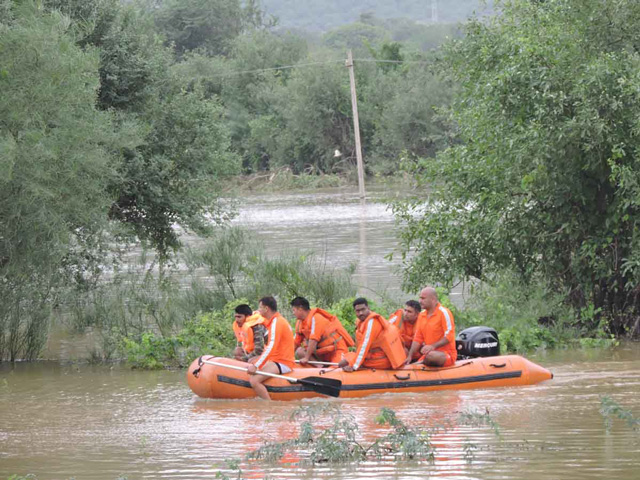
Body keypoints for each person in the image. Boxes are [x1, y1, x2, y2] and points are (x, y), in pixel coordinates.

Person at [246, 296, 296, 400]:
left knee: (254, 381)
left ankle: (269, 406)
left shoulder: (277, 322)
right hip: (277, 359)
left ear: (266, 309)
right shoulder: (277, 320)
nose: (258, 310)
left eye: (260, 308)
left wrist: (256, 366)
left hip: (282, 362)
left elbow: (271, 347)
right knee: (252, 360)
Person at [338, 297, 406, 372]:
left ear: (368, 308)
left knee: (347, 359)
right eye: (358, 311)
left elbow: (364, 346)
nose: (361, 313)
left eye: (363, 309)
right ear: (355, 311)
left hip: (379, 361)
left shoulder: (372, 322)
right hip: (374, 358)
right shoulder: (362, 322)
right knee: (346, 357)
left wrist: (354, 366)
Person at [291, 296, 355, 365]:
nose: (293, 313)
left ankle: (324, 370)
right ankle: (319, 367)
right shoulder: (299, 323)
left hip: (335, 350)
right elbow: (296, 343)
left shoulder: (316, 318)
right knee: (299, 351)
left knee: (337, 368)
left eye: (294, 310)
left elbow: (313, 340)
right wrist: (288, 357)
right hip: (321, 353)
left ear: (300, 309)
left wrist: (306, 358)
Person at [406, 287, 457, 367]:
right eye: (420, 298)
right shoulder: (421, 315)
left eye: (423, 298)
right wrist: (409, 356)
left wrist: (433, 346)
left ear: (433, 299)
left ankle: (420, 363)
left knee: (431, 356)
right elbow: (417, 338)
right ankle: (418, 363)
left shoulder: (444, 312)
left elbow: (449, 336)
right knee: (407, 352)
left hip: (445, 354)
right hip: (428, 354)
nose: (420, 301)